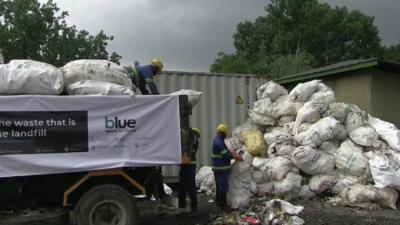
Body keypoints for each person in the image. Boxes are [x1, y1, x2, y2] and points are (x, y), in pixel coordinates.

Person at [211, 124, 242, 210]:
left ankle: (218, 203)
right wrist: (235, 156)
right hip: (221, 169)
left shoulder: (217, 140)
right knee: (223, 187)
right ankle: (223, 206)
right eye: (225, 133)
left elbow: (225, 151)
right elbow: (226, 156)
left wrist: (231, 152)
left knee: (219, 187)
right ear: (222, 132)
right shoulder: (219, 142)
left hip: (218, 168)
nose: (226, 135)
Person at [178, 127, 200, 212]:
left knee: (191, 188)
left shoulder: (194, 141)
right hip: (186, 167)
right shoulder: (191, 140)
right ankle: (182, 207)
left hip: (189, 167)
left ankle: (193, 208)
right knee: (182, 188)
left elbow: (189, 150)